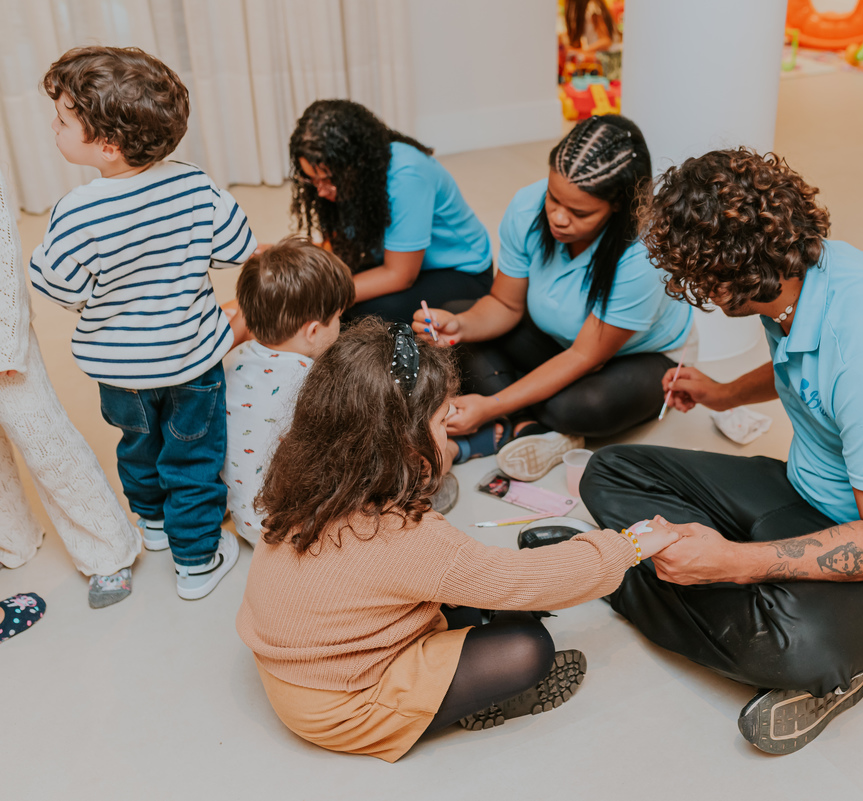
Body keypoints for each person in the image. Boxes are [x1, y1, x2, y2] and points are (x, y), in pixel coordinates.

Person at [580, 149, 863, 755]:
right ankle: (684, 581)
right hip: (811, 494)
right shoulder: (803, 276)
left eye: (694, 279)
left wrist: (732, 564)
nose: (693, 291)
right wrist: (723, 394)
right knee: (612, 469)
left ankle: (617, 575)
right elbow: (805, 366)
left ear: (727, 274)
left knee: (787, 646)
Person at [236, 319, 676, 761]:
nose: (450, 434)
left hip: (296, 666)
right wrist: (628, 545)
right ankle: (460, 703)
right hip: (341, 704)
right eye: (444, 422)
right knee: (528, 648)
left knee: (475, 600)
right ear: (406, 440)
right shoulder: (403, 538)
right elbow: (521, 580)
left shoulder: (313, 474)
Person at [29, 47, 255, 601]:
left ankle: (155, 526)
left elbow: (57, 287)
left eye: (62, 119)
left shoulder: (77, 211)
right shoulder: (196, 187)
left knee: (137, 444)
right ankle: (198, 556)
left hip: (119, 370)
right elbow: (239, 249)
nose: (52, 126)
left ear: (106, 145)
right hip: (194, 359)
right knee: (193, 456)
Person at [415, 115, 694, 481]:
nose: (558, 218)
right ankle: (527, 424)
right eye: (553, 198)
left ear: (619, 207)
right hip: (559, 340)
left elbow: (584, 357)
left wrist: (490, 405)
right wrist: (461, 325)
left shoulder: (643, 255)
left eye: (580, 213)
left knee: (580, 406)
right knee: (456, 317)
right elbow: (504, 305)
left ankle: (511, 418)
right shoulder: (528, 207)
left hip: (638, 359)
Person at [0, 167, 141, 609]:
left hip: (4, 345)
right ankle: (13, 536)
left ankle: (108, 549)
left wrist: (8, 342)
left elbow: (4, 255)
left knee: (42, 437)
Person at [288, 99, 493, 326]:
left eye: (327, 180)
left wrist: (316, 299)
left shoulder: (408, 176)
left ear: (358, 162)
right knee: (333, 291)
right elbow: (339, 244)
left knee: (362, 315)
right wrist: (293, 262)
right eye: (312, 180)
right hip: (395, 259)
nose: (321, 191)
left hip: (461, 272)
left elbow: (400, 276)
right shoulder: (350, 175)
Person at [222, 237, 354, 546]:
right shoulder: (314, 380)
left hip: (247, 521)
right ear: (312, 331)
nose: (340, 323)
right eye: (337, 317)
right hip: (294, 532)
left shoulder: (232, 359)